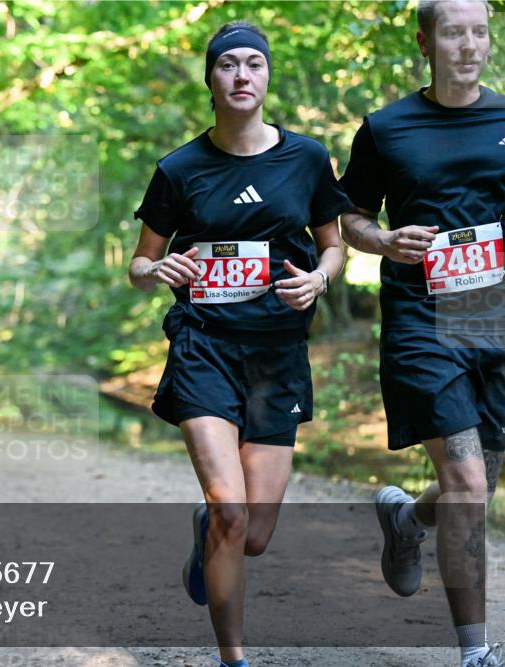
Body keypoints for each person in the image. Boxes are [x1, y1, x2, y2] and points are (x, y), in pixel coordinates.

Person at [128, 21, 351, 667]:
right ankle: (234, 658)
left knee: (251, 534)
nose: (242, 75)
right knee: (230, 506)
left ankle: (210, 537)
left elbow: (333, 244)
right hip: (204, 347)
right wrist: (157, 270)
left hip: (278, 355)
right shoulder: (180, 168)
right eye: (229, 64)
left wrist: (318, 278)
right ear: (212, 78)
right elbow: (140, 264)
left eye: (255, 63)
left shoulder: (306, 158)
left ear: (268, 75)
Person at [339, 1, 503, 665]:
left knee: (476, 483)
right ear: (425, 41)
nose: (468, 45)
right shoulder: (386, 128)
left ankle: (408, 520)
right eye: (453, 32)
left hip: (496, 317)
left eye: (479, 32)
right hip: (422, 319)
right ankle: (477, 652)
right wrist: (382, 239)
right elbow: (347, 214)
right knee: (467, 481)